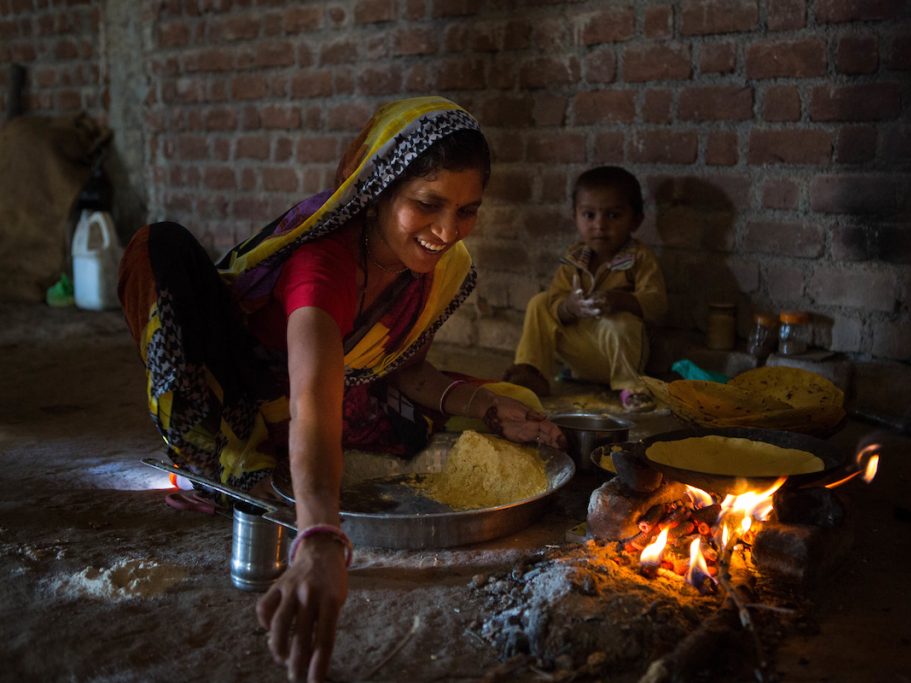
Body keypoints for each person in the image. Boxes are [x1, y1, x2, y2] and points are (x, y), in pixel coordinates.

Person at [118, 96, 565, 683]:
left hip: (338, 390)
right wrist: (321, 537)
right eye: (427, 205)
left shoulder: (428, 268)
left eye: (466, 211)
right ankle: (237, 461)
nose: (447, 232)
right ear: (378, 189)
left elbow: (407, 369)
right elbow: (312, 408)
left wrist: (486, 404)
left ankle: (296, 474)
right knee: (163, 250)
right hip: (252, 394)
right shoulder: (323, 268)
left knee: (515, 402)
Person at [503, 166, 668, 412]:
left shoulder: (640, 258)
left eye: (613, 216)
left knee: (620, 323)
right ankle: (531, 373)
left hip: (621, 356)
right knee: (540, 302)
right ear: (575, 216)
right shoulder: (574, 258)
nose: (599, 225)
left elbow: (657, 305)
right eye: (589, 215)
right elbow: (555, 302)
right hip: (581, 357)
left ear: (636, 220)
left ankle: (632, 389)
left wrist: (619, 300)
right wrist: (569, 307)